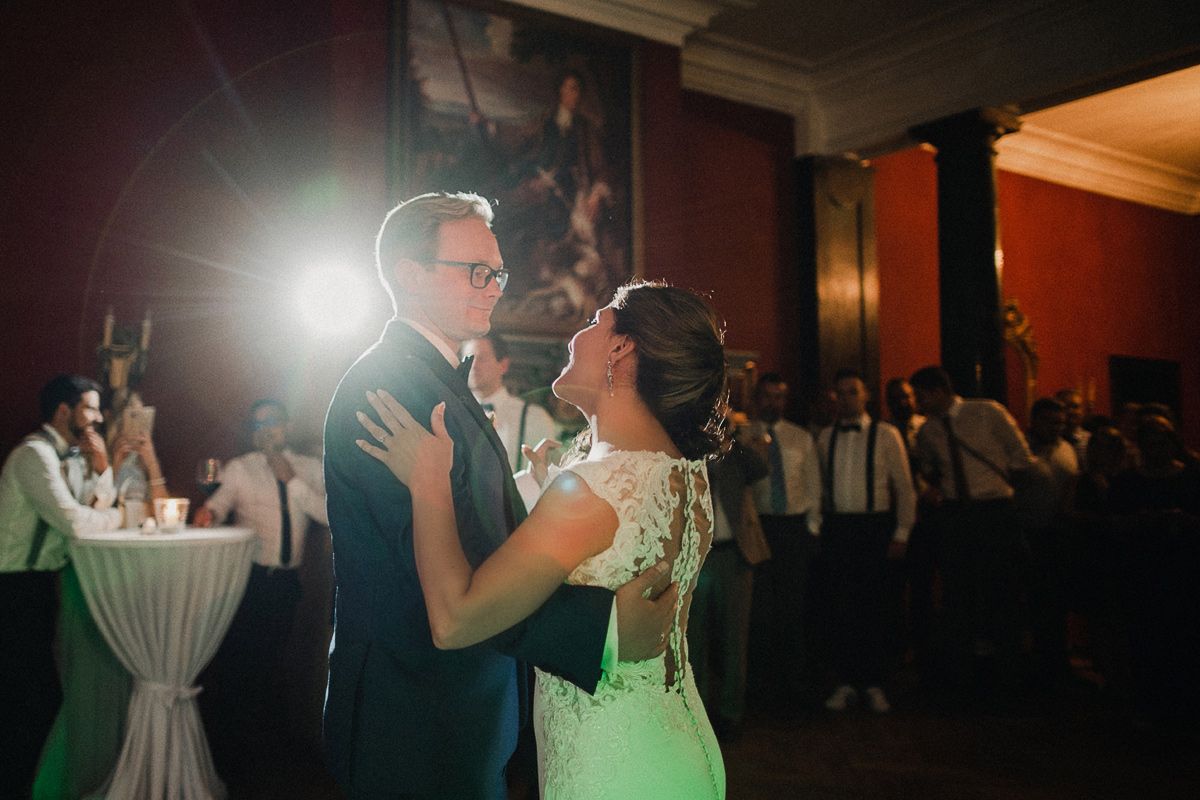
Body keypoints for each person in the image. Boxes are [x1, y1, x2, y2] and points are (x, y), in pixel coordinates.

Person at [322, 192, 675, 799]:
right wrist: (605, 632)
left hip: (457, 701)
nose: (493, 287)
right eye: (476, 272)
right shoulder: (392, 388)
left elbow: (464, 520)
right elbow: (443, 575)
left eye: (498, 273)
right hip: (412, 708)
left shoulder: (431, 376)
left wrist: (527, 492)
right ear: (411, 272)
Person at [357, 280, 728, 798]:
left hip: (613, 765)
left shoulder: (592, 491)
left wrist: (429, 481)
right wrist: (554, 481)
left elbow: (455, 619)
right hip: (682, 744)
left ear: (621, 348)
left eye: (594, 323)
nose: (574, 339)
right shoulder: (685, 471)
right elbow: (613, 536)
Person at [0, 375, 123, 799]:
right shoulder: (34, 456)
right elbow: (74, 523)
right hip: (11, 590)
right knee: (25, 702)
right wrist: (119, 519)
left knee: (34, 700)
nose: (98, 418)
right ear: (63, 412)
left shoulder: (68, 458)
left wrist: (104, 470)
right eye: (90, 408)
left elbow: (92, 507)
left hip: (37, 590)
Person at [193, 398, 328, 785]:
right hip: (250, 581)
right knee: (241, 667)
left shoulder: (308, 469)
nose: (267, 429)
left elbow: (329, 514)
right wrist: (209, 514)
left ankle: (265, 760)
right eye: (259, 424)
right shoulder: (241, 468)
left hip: (287, 584)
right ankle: (233, 759)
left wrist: (294, 484)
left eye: (273, 422)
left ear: (285, 426)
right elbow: (218, 505)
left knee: (273, 665)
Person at [909, 365, 1035, 697]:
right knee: (958, 597)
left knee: (1002, 595)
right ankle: (964, 680)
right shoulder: (927, 432)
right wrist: (930, 488)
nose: (918, 403)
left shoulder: (987, 412)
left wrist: (1006, 495)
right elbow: (926, 470)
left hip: (993, 510)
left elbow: (1022, 459)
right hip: (955, 514)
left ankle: (1009, 679)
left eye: (921, 396)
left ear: (938, 391)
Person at [816, 369, 916, 714]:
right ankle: (845, 682)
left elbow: (904, 487)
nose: (846, 399)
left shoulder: (887, 435)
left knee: (876, 608)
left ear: (865, 396)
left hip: (875, 529)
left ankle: (874, 683)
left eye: (852, 392)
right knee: (841, 608)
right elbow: (820, 488)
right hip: (839, 529)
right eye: (840, 393)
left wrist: (902, 532)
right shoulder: (825, 437)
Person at [744, 372, 823, 711]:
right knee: (759, 609)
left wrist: (813, 528)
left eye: (780, 396)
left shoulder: (800, 437)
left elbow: (812, 484)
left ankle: (792, 685)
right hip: (758, 526)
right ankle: (760, 687)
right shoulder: (742, 435)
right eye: (767, 396)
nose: (773, 402)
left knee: (792, 609)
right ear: (757, 398)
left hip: (792, 528)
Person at [688, 426, 769, 741]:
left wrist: (733, 439)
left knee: (734, 637)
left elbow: (761, 469)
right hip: (695, 556)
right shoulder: (686, 443)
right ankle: (700, 711)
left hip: (734, 553)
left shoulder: (736, 449)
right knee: (694, 637)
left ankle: (731, 711)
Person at [463, 332, 558, 473]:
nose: (474, 366)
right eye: (468, 359)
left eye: (481, 358)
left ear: (503, 365)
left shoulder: (534, 417)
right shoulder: (453, 413)